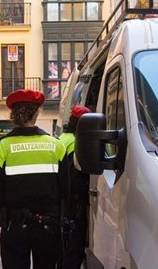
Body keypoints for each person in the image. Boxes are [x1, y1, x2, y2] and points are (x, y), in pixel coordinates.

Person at [0, 89, 67, 269]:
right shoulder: (56, 146)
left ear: (14, 114)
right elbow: (66, 191)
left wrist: (8, 214)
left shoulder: (3, 148)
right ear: (37, 112)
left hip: (14, 228)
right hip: (48, 227)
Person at [59, 105, 91, 269]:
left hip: (59, 204)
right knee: (73, 251)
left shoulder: (61, 140)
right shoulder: (77, 144)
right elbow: (76, 181)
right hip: (73, 206)